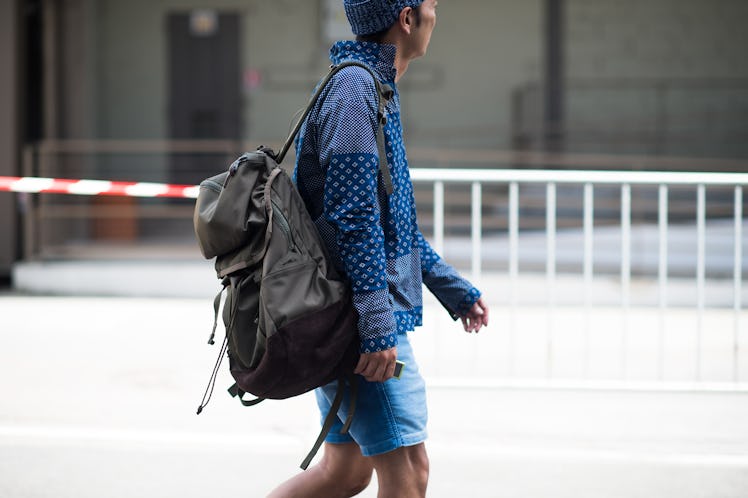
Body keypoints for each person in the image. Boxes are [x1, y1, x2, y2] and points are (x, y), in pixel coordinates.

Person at [269, 1, 489, 496]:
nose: (437, 13)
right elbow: (353, 218)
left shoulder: (369, 86)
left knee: (342, 473)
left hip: (350, 311)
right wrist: (374, 322)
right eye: (431, 5)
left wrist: (452, 289)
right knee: (409, 472)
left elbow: (393, 226)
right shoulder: (355, 93)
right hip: (357, 320)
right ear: (406, 19)